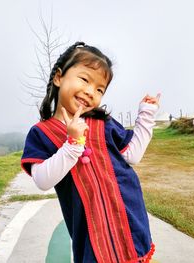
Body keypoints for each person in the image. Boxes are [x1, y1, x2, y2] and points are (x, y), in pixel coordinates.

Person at [21, 41, 160, 263]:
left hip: (130, 223)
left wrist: (146, 116)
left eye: (99, 89)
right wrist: (73, 145)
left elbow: (132, 155)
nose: (90, 92)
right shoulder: (42, 133)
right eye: (85, 79)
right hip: (91, 238)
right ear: (59, 77)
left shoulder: (103, 123)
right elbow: (42, 180)